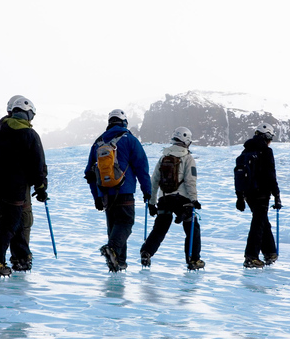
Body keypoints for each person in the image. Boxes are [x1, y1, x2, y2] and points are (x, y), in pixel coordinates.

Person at [0, 96, 48, 277]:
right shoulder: (30, 135)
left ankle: (21, 257)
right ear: (28, 115)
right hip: (16, 190)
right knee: (10, 225)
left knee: (13, 221)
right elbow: (38, 165)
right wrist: (41, 188)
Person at [84, 109, 151, 272]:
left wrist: (97, 197)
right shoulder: (130, 140)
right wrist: (147, 191)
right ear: (124, 122)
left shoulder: (98, 142)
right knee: (125, 223)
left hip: (105, 193)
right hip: (125, 191)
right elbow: (142, 168)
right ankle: (112, 250)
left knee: (115, 227)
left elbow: (90, 173)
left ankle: (118, 262)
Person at [140, 127, 205, 270]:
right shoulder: (188, 157)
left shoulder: (163, 157)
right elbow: (190, 181)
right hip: (183, 201)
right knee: (192, 227)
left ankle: (147, 252)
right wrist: (193, 200)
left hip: (164, 200)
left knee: (160, 228)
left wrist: (152, 203)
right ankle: (193, 259)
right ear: (187, 141)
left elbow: (154, 181)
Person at [235, 123, 281, 268]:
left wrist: (240, 197)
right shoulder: (266, 151)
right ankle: (251, 256)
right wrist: (277, 195)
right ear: (267, 136)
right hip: (261, 193)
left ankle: (269, 252)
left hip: (248, 194)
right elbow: (270, 175)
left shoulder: (245, 151)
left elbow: (239, 175)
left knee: (261, 221)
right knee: (258, 223)